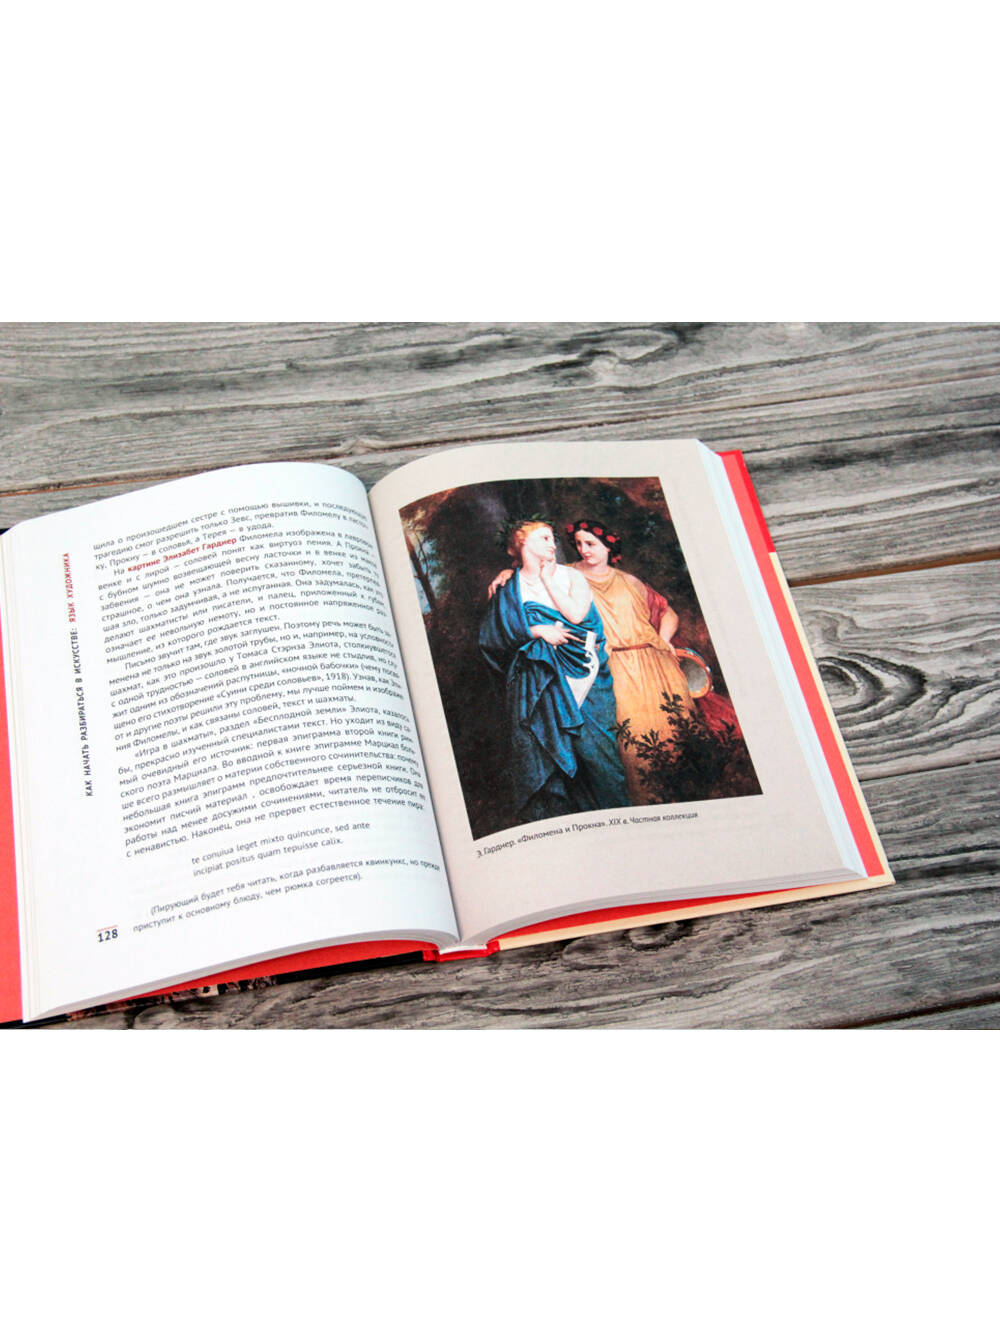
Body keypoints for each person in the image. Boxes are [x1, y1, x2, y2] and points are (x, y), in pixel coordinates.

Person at [489, 520, 696, 804]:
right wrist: (509, 576)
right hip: (593, 669)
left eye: (590, 543)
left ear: (608, 546)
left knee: (657, 737)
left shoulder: (620, 580)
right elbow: (523, 587)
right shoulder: (554, 575)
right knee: (612, 748)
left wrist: (663, 641)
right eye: (578, 544)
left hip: (631, 665)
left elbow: (666, 613)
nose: (583, 549)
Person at [479, 520, 629, 826]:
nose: (553, 544)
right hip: (538, 684)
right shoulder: (507, 589)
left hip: (585, 675)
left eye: (553, 538)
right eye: (544, 538)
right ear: (522, 542)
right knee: (547, 759)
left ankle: (620, 823)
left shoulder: (571, 576)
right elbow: (492, 638)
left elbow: (577, 616)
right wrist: (536, 631)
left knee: (598, 756)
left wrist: (548, 580)